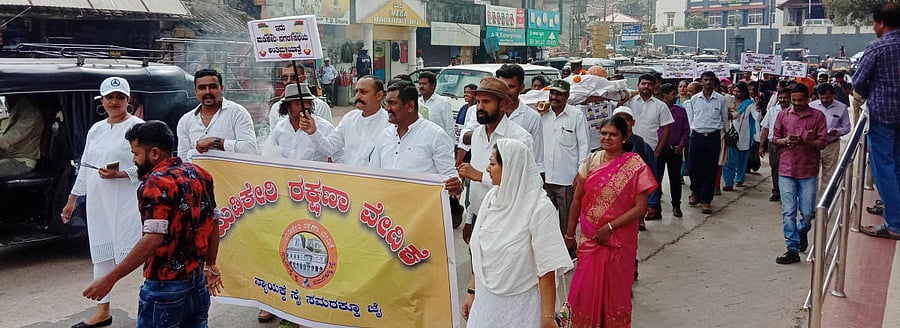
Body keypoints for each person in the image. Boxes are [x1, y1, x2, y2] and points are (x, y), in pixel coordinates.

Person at [81, 120, 221, 326]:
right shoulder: (199, 174)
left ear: (154, 153)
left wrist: (110, 279)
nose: (134, 160)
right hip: (197, 283)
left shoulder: (155, 183)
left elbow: (153, 238)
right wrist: (211, 264)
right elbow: (213, 222)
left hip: (165, 289)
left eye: (136, 154)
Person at [461, 138, 573, 328]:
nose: (487, 169)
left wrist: (547, 318)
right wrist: (472, 292)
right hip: (486, 305)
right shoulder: (492, 198)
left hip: (522, 308)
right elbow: (480, 255)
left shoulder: (539, 209)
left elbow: (547, 268)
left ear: (511, 168)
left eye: (492, 164)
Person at [60, 77, 144, 328]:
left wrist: (122, 174)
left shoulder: (139, 127)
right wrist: (72, 199)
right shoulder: (96, 129)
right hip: (100, 202)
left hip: (129, 202)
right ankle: (102, 312)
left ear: (128, 100)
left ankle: (152, 308)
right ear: (102, 100)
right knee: (102, 253)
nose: (114, 102)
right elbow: (86, 167)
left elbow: (151, 165)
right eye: (110, 97)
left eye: (120, 97)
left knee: (141, 253)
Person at [564, 116, 657, 327]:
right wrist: (569, 234)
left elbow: (640, 208)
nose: (607, 138)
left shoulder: (635, 166)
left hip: (619, 240)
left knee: (615, 291)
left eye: (613, 134)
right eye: (603, 133)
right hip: (590, 238)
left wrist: (610, 227)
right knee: (585, 288)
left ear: (624, 137)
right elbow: (577, 200)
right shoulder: (591, 160)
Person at [458, 77, 534, 244]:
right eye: (478, 101)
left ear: (502, 105)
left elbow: (520, 186)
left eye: (486, 102)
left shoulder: (520, 138)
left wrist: (480, 176)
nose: (480, 107)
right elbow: (474, 187)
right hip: (478, 216)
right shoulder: (477, 135)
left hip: (505, 221)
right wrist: (469, 219)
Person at [369, 81, 462, 195]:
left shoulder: (435, 135)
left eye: (392, 103)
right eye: (386, 103)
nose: (387, 108)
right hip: (387, 203)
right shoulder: (384, 135)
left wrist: (455, 185)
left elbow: (449, 176)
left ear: (410, 106)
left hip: (421, 204)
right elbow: (373, 173)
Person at [856, 2, 900, 240]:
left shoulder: (877, 48)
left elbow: (858, 81)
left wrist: (868, 93)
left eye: (874, 22)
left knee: (883, 168)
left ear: (882, 23)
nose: (873, 27)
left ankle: (895, 224)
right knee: (897, 167)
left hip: (883, 115)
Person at [772, 83, 827, 264]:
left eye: (800, 100)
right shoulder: (783, 115)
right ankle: (792, 248)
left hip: (808, 170)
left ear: (808, 99)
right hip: (786, 169)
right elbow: (775, 138)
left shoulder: (818, 116)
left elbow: (822, 142)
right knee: (788, 211)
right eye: (793, 100)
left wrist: (805, 142)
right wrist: (784, 141)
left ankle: (802, 231)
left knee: (808, 213)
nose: (796, 104)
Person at [300, 75, 389, 166]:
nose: (357, 96)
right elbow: (330, 148)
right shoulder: (350, 118)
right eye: (356, 91)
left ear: (378, 95)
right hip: (349, 173)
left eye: (363, 92)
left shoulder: (389, 123)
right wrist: (314, 132)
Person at [538, 79, 589, 234]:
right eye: (552, 93)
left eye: (559, 94)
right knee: (543, 221)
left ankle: (567, 246)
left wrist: (580, 173)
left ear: (567, 96)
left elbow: (584, 146)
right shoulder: (542, 114)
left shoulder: (576, 116)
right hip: (544, 178)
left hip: (566, 180)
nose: (554, 97)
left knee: (566, 223)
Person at [177, 69, 258, 162]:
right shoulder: (185, 121)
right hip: (197, 171)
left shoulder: (237, 113)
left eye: (213, 87)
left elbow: (250, 149)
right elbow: (183, 158)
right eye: (202, 88)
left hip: (231, 171)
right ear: (196, 91)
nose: (208, 92)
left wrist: (217, 142)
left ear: (222, 88)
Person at [625, 74, 673, 220]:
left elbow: (666, 129)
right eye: (643, 83)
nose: (646, 87)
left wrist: (657, 151)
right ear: (638, 85)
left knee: (647, 184)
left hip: (649, 151)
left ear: (655, 87)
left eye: (649, 84)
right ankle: (634, 218)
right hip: (629, 150)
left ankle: (644, 215)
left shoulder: (660, 106)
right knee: (629, 185)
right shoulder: (628, 103)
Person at [686, 71, 731, 214]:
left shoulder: (721, 99)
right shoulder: (694, 99)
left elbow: (724, 118)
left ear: (714, 82)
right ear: (701, 81)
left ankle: (706, 200)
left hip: (713, 136)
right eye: (705, 80)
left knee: (710, 169)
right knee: (692, 167)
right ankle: (695, 192)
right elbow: (691, 118)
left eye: (711, 80)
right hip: (696, 136)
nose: (708, 82)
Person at [263, 83, 335, 162]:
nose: (306, 106)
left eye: (309, 103)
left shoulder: (325, 127)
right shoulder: (280, 127)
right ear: (288, 107)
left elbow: (334, 153)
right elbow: (270, 151)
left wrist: (314, 133)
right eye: (300, 104)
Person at [494, 64, 545, 174]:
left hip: (518, 176)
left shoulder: (532, 117)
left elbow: (537, 160)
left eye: (511, 87)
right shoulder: (487, 112)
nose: (506, 91)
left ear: (522, 87)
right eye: (502, 86)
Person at [809, 83, 851, 198]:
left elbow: (847, 127)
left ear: (833, 95)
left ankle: (823, 202)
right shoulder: (812, 106)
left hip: (831, 145)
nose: (824, 100)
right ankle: (811, 203)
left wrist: (837, 131)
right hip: (814, 145)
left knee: (829, 176)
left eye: (827, 98)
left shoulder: (842, 108)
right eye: (821, 97)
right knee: (812, 175)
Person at [657, 83, 690, 218]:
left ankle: (676, 205)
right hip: (659, 149)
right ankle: (655, 206)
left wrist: (681, 144)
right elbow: (654, 129)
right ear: (665, 95)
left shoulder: (681, 111)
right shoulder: (657, 109)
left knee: (675, 179)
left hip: (676, 149)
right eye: (673, 94)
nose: (676, 96)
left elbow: (686, 130)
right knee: (656, 178)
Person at [268, 63, 332, 129]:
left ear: (303, 78)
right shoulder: (276, 107)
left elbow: (327, 132)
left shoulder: (320, 106)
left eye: (293, 78)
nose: (288, 81)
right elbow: (273, 133)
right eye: (285, 78)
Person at [722, 82, 759, 191]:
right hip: (730, 134)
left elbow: (756, 117)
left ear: (744, 93)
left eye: (738, 91)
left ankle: (739, 179)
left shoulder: (749, 104)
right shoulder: (729, 101)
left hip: (744, 135)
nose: (736, 93)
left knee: (742, 160)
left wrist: (758, 108)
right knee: (729, 160)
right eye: (734, 91)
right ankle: (728, 182)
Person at [759, 88, 792, 202]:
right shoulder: (772, 111)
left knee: (788, 169)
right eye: (780, 97)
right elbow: (765, 128)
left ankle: (786, 193)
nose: (782, 100)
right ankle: (776, 191)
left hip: (789, 145)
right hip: (774, 144)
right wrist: (761, 146)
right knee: (775, 169)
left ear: (790, 98)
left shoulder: (794, 111)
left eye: (785, 97)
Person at [0, 95, 44, 177]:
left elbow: (9, 139)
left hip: (21, 160)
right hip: (5, 156)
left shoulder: (30, 113)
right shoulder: (10, 108)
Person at [418, 71, 455, 138]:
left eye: (424, 84)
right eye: (420, 84)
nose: (421, 86)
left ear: (433, 85)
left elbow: (450, 127)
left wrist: (449, 142)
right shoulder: (417, 102)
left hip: (438, 141)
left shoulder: (443, 103)